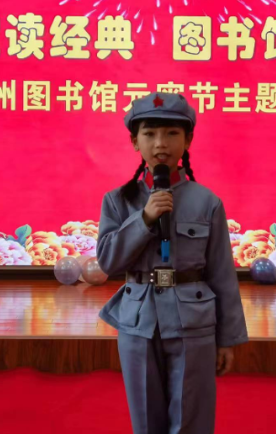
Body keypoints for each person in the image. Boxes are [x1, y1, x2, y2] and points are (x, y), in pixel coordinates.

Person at [97, 92, 248, 434]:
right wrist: (144, 219)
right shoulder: (118, 201)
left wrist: (227, 339)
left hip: (193, 323)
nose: (160, 144)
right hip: (138, 322)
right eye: (149, 134)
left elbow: (222, 273)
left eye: (171, 133)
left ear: (188, 140)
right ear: (135, 141)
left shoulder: (207, 202)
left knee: (191, 419)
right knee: (146, 421)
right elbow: (107, 261)